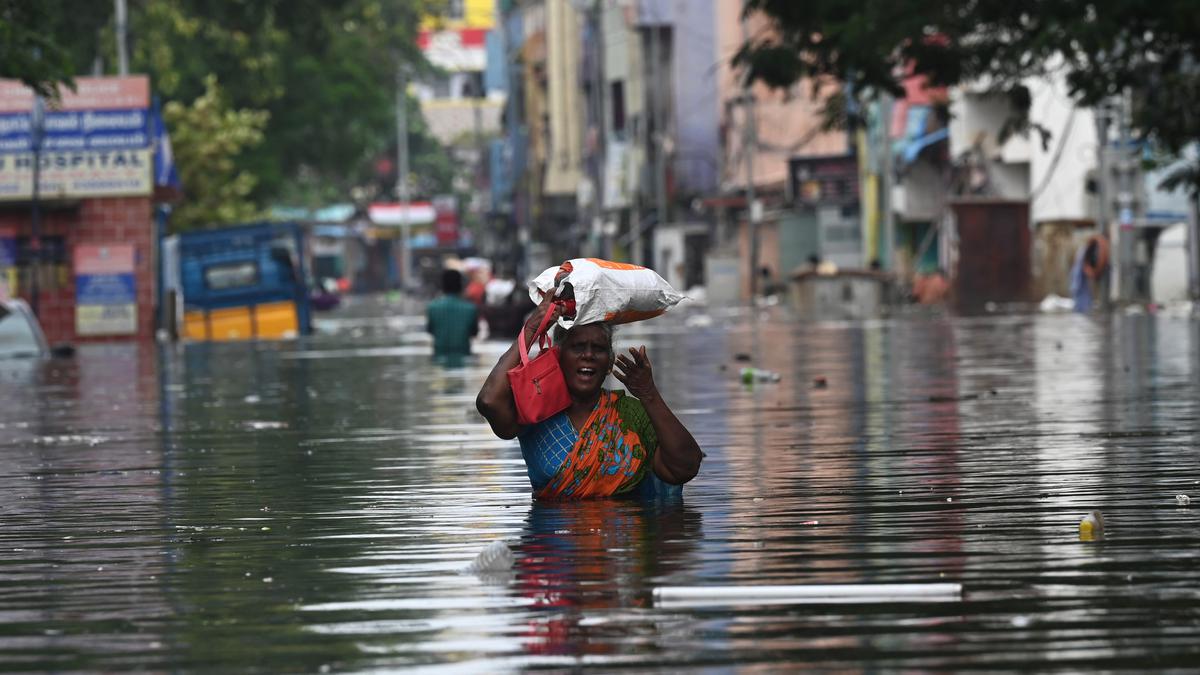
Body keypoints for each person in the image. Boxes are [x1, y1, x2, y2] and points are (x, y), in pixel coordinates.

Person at [476, 290, 703, 500]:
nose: (588, 355)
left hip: (623, 538)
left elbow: (685, 467)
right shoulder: (536, 413)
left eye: (598, 349)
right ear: (558, 358)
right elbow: (489, 401)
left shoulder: (630, 415)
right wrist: (532, 329)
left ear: (609, 362)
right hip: (550, 536)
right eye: (578, 347)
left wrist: (649, 394)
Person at [426, 269, 478, 361]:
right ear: (461, 285)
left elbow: (430, 331)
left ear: (443, 285)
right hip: (464, 356)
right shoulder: (471, 308)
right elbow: (474, 333)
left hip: (439, 357)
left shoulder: (432, 307)